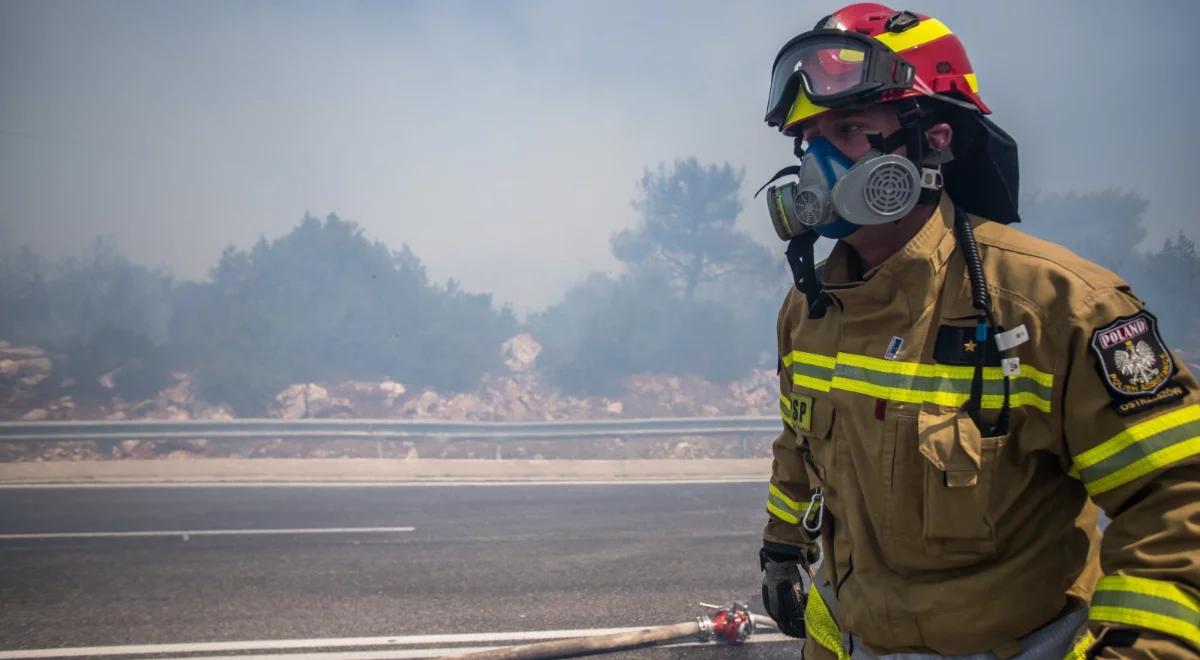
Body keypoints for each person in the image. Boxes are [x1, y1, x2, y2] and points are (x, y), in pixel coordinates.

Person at [755, 4, 1200, 659]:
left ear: (934, 139)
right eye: (808, 138)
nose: (817, 161)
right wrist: (783, 546)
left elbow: (1176, 496)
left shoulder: (1058, 306)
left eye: (848, 129)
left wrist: (1142, 648)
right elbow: (799, 441)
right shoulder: (811, 308)